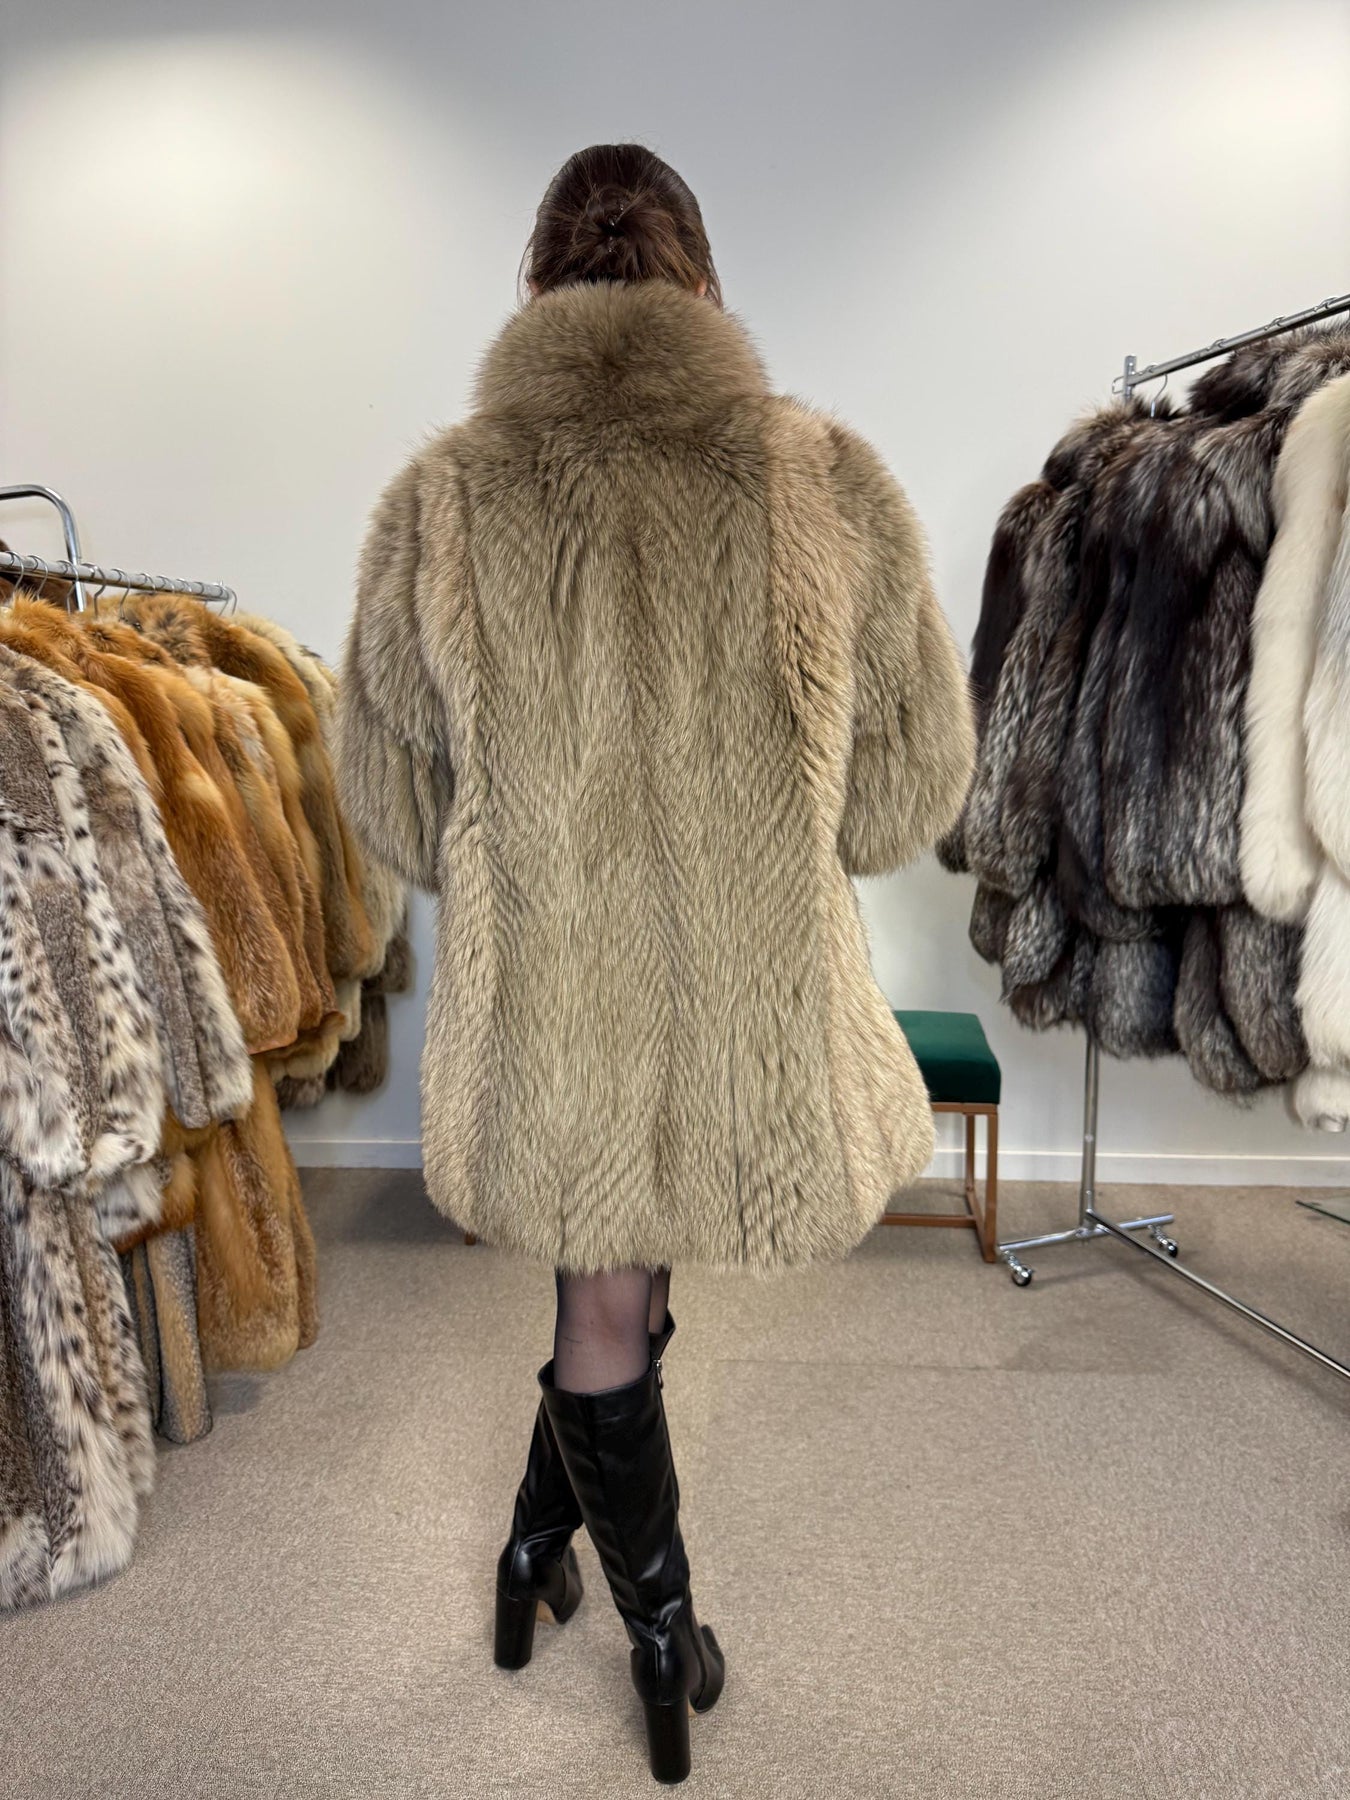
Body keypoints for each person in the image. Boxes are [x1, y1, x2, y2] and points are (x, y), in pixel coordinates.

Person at [337, 141, 975, 1785]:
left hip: (554, 1004)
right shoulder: (818, 477)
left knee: (603, 1283)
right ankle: (659, 1635)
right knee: (624, 1287)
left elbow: (392, 801)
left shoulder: (444, 497)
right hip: (745, 998)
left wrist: (528, 847)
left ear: (534, 283)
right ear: (701, 278)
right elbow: (904, 789)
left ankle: (525, 1561)